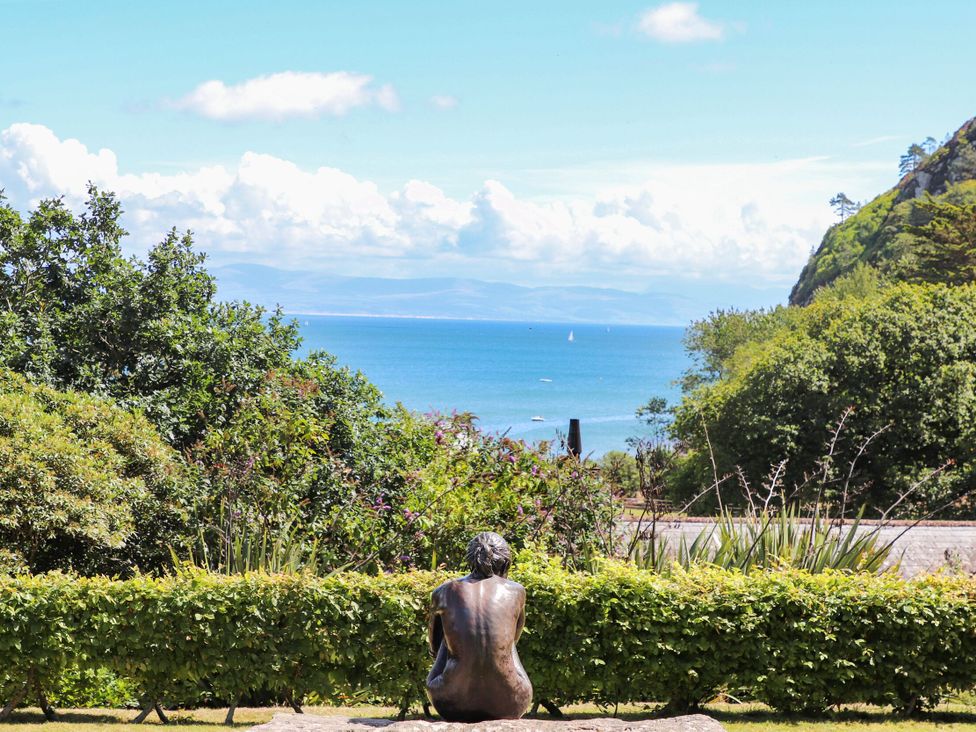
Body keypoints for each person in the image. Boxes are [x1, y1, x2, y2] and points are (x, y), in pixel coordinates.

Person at [425, 532, 533, 722]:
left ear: (471, 558)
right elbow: (514, 639)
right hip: (511, 702)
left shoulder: (443, 591)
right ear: (505, 561)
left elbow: (433, 645)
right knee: (504, 641)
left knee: (447, 636)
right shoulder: (516, 591)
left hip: (449, 701)